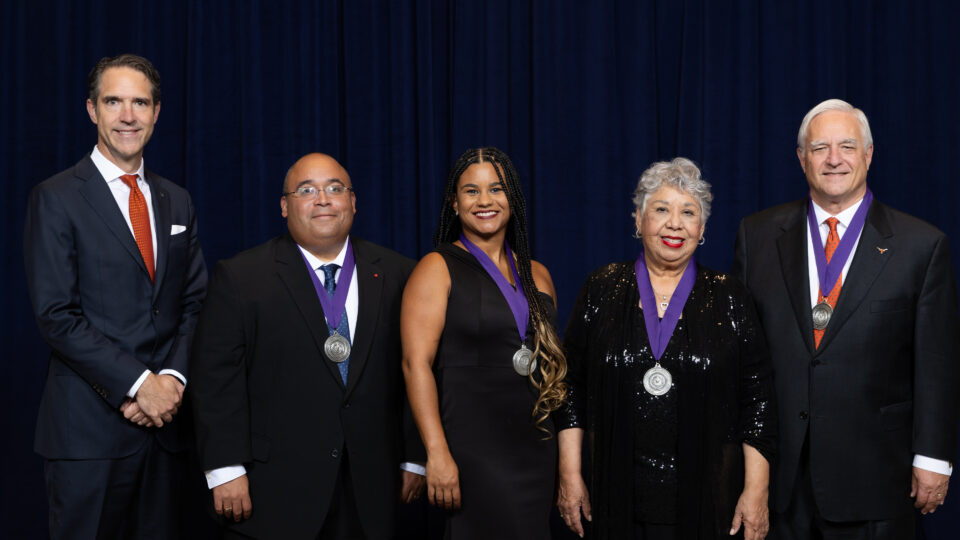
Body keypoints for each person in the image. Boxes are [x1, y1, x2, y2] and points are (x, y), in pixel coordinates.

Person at [733, 99, 960, 539]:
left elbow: (937, 363)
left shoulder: (921, 245)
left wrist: (932, 458)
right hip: (779, 479)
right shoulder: (757, 235)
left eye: (847, 146)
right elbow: (742, 358)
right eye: (819, 148)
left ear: (869, 155)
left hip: (876, 476)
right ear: (802, 159)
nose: (833, 159)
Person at [190, 153, 425, 540]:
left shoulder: (401, 273)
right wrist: (225, 470)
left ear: (353, 202)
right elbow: (215, 380)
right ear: (285, 206)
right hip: (273, 491)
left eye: (335, 188)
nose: (322, 199)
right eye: (306, 190)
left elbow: (417, 367)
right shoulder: (241, 277)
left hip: (372, 489)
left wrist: (416, 457)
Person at [23, 54, 208, 539]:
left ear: (156, 112)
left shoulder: (177, 199)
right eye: (114, 102)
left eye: (140, 103)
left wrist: (169, 380)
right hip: (87, 436)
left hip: (166, 431)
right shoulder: (57, 196)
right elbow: (56, 315)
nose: (128, 115)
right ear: (92, 110)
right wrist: (137, 384)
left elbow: (193, 303)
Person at [557, 158, 777, 540]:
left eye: (688, 213)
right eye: (661, 210)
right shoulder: (602, 287)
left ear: (702, 229)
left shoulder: (730, 295)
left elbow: (757, 399)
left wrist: (756, 491)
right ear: (638, 220)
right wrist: (570, 475)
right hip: (612, 496)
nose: (674, 223)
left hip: (709, 501)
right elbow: (570, 387)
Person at [402, 147, 567, 539]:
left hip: (535, 446)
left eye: (496, 189)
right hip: (472, 449)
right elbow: (415, 365)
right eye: (471, 191)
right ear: (454, 203)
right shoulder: (436, 267)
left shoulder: (538, 274)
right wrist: (436, 453)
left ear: (513, 199)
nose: (485, 201)